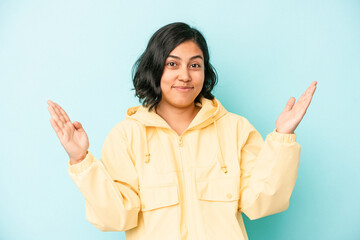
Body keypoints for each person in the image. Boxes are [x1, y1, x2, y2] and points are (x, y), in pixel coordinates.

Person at [47, 22, 317, 240]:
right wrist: (81, 160)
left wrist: (282, 137)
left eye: (195, 65)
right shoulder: (126, 136)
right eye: (172, 64)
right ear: (155, 69)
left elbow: (262, 202)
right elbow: (116, 217)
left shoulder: (236, 129)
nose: (185, 75)